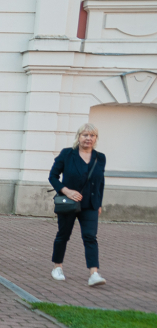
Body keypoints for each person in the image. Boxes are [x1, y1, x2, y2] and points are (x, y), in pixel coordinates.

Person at [49, 123, 106, 286]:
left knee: (90, 237)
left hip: (90, 204)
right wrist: (66, 191)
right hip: (69, 203)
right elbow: (53, 176)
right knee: (63, 235)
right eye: (85, 135)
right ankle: (57, 267)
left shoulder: (100, 157)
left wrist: (99, 203)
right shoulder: (67, 154)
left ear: (96, 138)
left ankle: (94, 273)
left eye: (92, 135)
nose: (88, 138)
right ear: (78, 137)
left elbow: (101, 182)